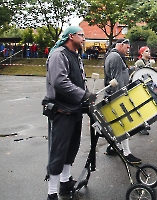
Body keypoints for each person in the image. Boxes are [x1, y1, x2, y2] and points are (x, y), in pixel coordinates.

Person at [43, 26, 97, 200]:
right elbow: (60, 82)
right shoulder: (59, 54)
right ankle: (52, 193)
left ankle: (65, 183)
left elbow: (79, 80)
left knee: (71, 148)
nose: (84, 38)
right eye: (82, 35)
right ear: (71, 36)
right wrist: (83, 95)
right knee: (58, 151)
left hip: (74, 110)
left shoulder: (75, 55)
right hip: (61, 111)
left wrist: (87, 94)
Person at [104, 38, 142, 164]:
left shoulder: (116, 55)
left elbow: (122, 73)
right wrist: (122, 96)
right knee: (123, 124)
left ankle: (114, 147)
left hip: (116, 95)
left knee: (119, 125)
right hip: (117, 96)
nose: (128, 50)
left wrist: (133, 69)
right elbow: (117, 79)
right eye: (127, 47)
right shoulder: (115, 57)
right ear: (121, 45)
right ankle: (126, 153)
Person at [134, 46, 154, 135]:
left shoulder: (148, 61)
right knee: (141, 107)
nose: (149, 53)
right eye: (146, 51)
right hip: (140, 86)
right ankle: (140, 127)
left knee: (146, 106)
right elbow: (137, 74)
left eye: (149, 51)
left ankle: (145, 123)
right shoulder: (139, 62)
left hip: (148, 85)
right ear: (142, 53)